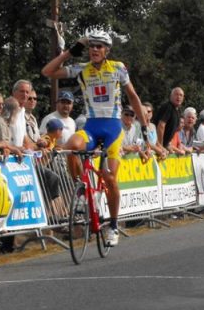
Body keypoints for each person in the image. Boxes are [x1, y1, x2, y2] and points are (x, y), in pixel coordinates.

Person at [41, 30, 149, 247]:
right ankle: (80, 191)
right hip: (91, 127)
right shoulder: (82, 69)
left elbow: (133, 97)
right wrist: (72, 50)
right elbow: (47, 71)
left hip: (112, 129)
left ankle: (114, 225)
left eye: (99, 46)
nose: (94, 50)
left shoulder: (118, 68)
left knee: (110, 178)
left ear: (107, 50)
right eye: (91, 46)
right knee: (72, 146)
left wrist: (145, 129)